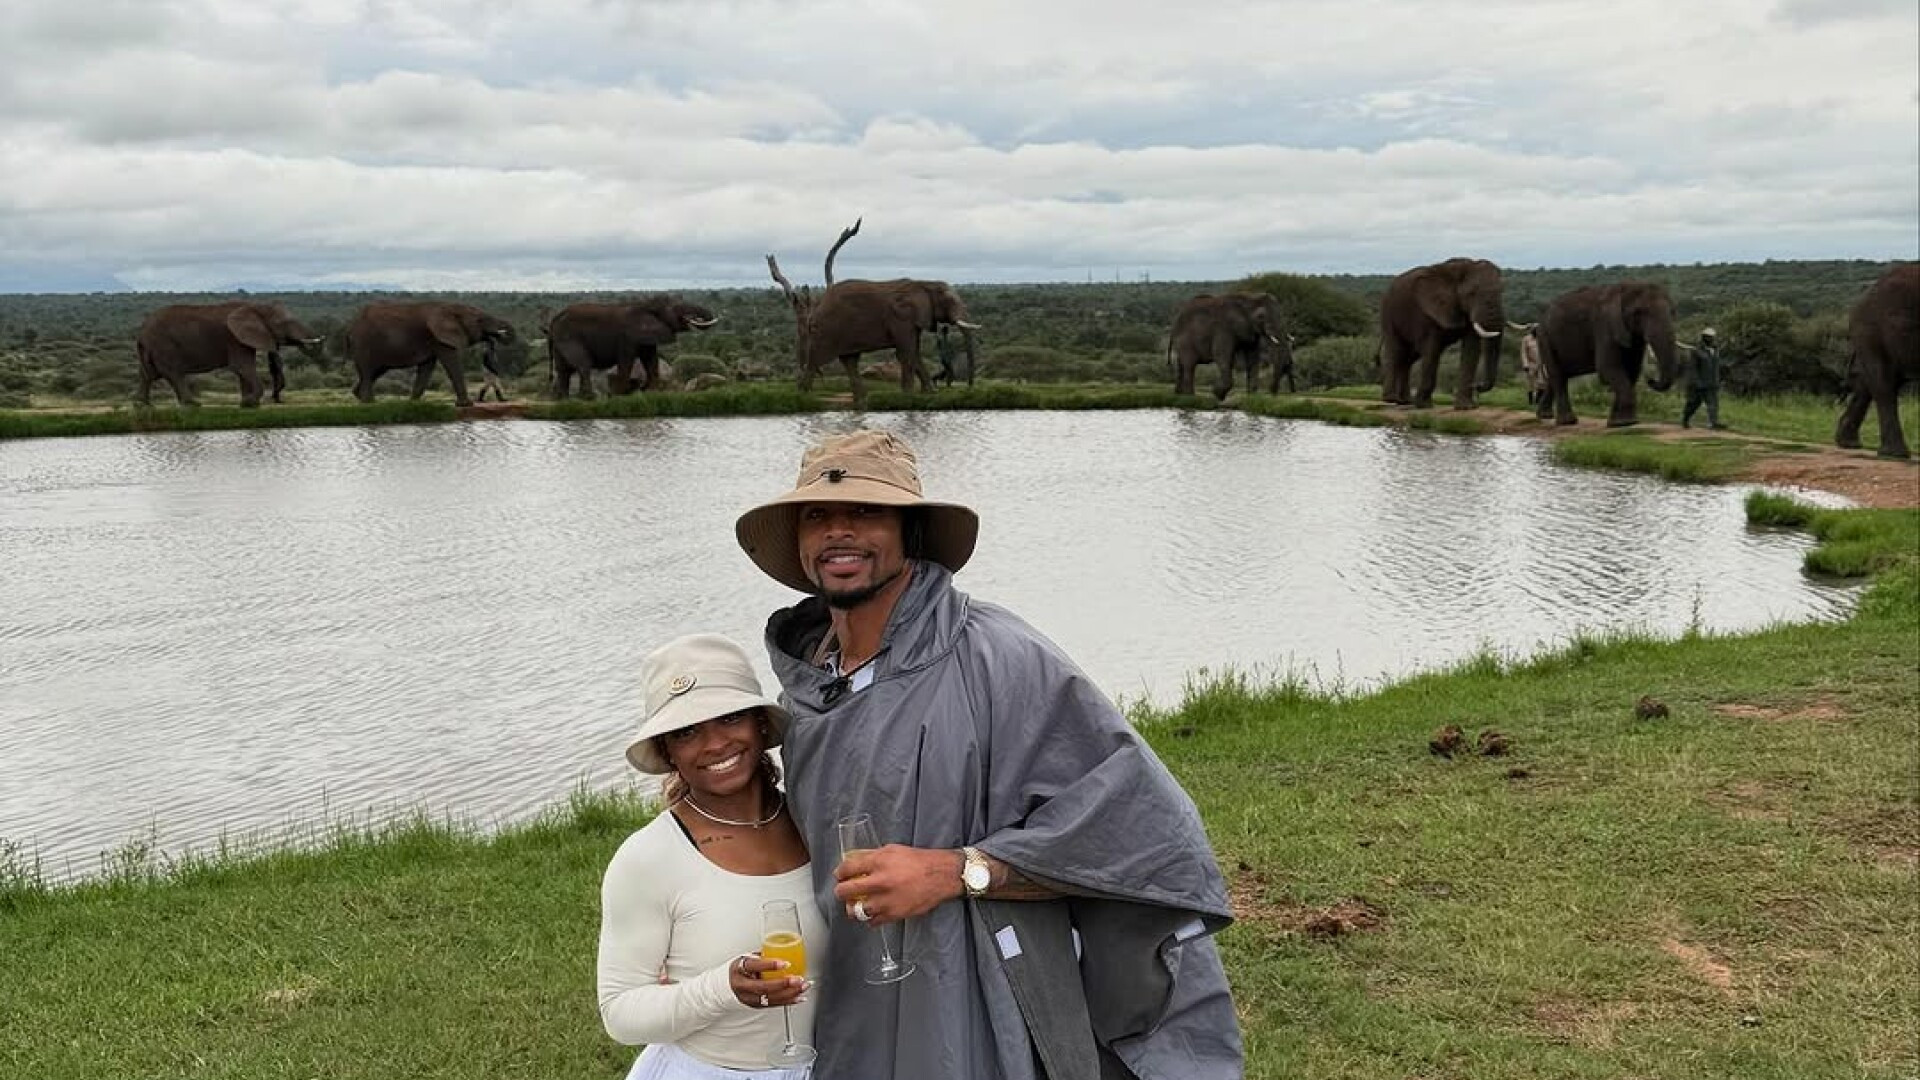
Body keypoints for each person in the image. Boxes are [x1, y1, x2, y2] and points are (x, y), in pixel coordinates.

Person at [734, 430, 1243, 1080]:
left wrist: (958, 871)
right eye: (819, 515)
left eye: (865, 512)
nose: (840, 532)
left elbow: (1149, 829)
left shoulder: (1000, 659)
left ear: (909, 530)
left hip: (973, 989)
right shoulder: (807, 686)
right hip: (852, 990)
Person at [597, 633, 826, 1079]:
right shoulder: (648, 859)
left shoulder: (813, 822)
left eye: (729, 717)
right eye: (686, 732)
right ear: (667, 752)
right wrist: (724, 989)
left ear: (760, 723)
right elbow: (620, 1012)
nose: (715, 743)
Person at [1680, 327, 1729, 429]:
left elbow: (1716, 366)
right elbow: (1692, 368)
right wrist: (1697, 382)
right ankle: (1685, 419)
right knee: (1693, 403)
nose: (1711, 340)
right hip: (1698, 384)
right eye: (1709, 337)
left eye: (1712, 337)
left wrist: (1719, 379)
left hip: (1712, 383)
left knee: (1713, 404)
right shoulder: (1696, 351)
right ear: (1704, 338)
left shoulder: (1715, 350)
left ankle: (1713, 423)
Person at [1519, 324, 1548, 408]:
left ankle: (1538, 401)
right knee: (1530, 383)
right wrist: (1525, 364)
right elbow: (1523, 352)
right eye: (1535, 329)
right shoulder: (1526, 339)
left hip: (1541, 363)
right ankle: (1530, 400)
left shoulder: (1542, 339)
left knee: (1542, 383)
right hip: (1531, 364)